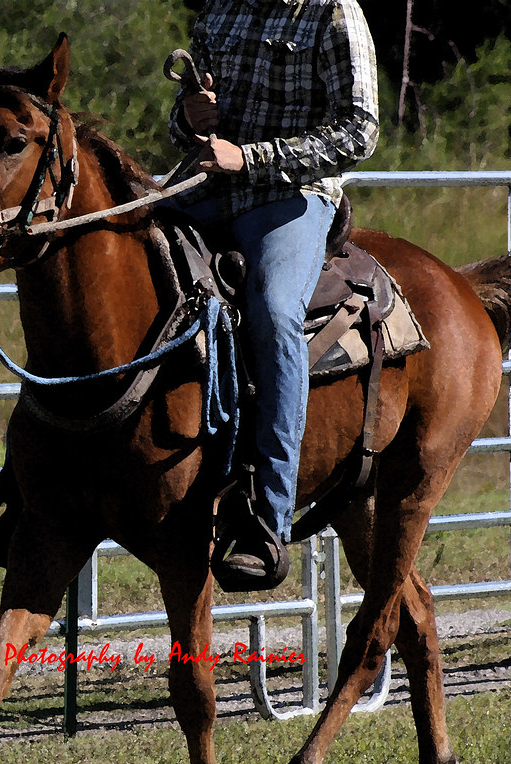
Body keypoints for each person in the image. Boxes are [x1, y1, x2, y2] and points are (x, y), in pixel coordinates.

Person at [168, 0, 380, 590]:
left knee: (273, 311)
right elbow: (179, 124)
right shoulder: (223, 12)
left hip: (294, 196)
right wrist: (190, 118)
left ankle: (267, 515)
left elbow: (359, 132)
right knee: (113, 253)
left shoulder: (334, 13)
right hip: (210, 185)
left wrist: (251, 157)